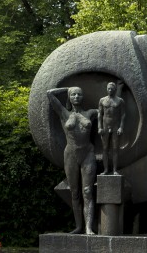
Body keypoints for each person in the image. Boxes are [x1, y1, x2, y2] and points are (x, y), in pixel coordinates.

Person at [47, 86, 98, 234]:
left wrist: (117, 91)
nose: (76, 97)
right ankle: (79, 226)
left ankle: (88, 228)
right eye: (73, 94)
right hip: (70, 155)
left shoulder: (90, 113)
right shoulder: (64, 113)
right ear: (70, 97)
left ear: (83, 97)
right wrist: (66, 88)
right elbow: (49, 94)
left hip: (87, 153)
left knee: (87, 191)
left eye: (79, 94)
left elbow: (109, 110)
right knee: (75, 192)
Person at [97, 80, 125, 174]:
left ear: (115, 89)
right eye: (108, 88)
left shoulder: (120, 101)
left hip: (115, 126)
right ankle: (105, 170)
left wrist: (121, 127)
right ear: (106, 89)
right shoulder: (102, 100)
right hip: (105, 126)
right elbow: (99, 114)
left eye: (112, 89)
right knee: (104, 148)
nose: (110, 90)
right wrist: (99, 127)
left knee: (115, 148)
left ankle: (115, 170)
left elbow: (123, 115)